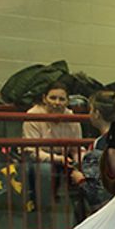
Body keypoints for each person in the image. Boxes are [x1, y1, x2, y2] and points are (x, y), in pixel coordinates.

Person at [21, 82, 82, 211]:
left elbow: (76, 147)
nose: (57, 102)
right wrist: (59, 159)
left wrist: (80, 161)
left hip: (65, 158)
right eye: (53, 98)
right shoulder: (33, 115)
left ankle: (80, 217)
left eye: (61, 99)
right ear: (44, 98)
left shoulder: (71, 117)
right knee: (45, 169)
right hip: (38, 159)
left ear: (67, 101)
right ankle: (42, 211)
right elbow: (32, 151)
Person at [69, 89, 115, 222]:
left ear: (97, 114)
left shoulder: (101, 145)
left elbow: (95, 191)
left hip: (108, 211)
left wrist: (80, 179)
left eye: (91, 109)